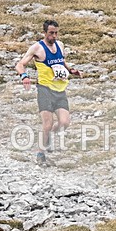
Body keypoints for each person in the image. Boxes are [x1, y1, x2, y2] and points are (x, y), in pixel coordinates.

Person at [14, 20, 81, 163]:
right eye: (51, 33)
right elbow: (20, 64)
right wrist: (24, 76)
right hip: (44, 90)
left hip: (60, 89)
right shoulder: (37, 48)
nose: (54, 36)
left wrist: (71, 70)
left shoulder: (60, 45)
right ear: (44, 33)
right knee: (48, 124)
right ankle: (40, 152)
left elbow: (61, 61)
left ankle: (47, 136)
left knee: (64, 122)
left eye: (56, 33)